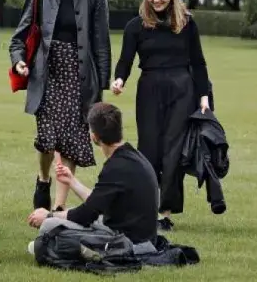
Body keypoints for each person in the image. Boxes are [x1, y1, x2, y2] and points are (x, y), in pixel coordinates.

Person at [9, 0, 111, 213]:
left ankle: (58, 207)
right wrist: (19, 60)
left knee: (70, 141)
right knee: (46, 139)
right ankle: (43, 180)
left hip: (80, 78)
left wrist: (100, 91)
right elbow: (20, 35)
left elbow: (102, 44)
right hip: (47, 74)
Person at [111, 0, 212, 231]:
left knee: (173, 151)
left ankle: (165, 212)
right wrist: (119, 79)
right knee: (149, 150)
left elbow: (198, 62)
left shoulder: (187, 24)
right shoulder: (136, 26)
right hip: (149, 89)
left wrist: (204, 96)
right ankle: (149, 208)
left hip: (182, 90)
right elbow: (126, 60)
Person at [25, 102, 160, 253]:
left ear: (94, 137)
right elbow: (98, 203)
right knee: (64, 216)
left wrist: (48, 215)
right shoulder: (133, 157)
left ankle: (75, 249)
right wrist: (72, 182)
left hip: (127, 241)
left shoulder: (116, 167)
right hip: (139, 234)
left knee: (49, 225)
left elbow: (86, 214)